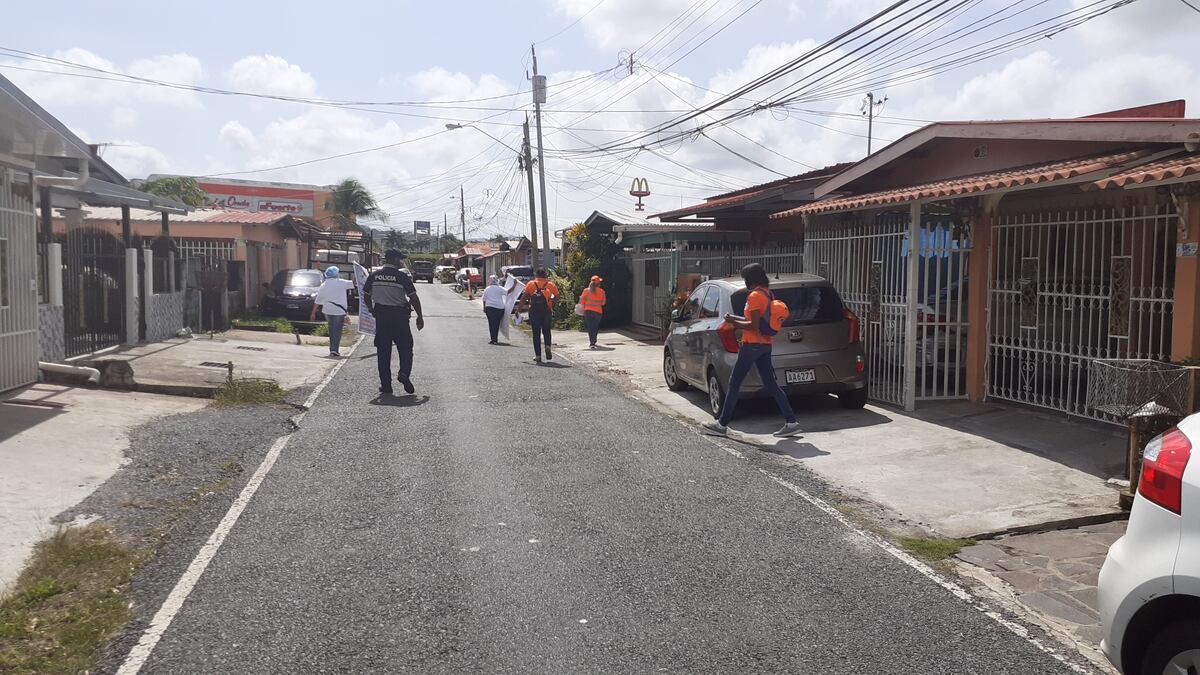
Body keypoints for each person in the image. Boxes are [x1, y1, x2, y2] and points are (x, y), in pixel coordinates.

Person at [702, 263, 802, 438]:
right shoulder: (767, 294)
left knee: (734, 384)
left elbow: (753, 325)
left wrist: (734, 323)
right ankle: (791, 421)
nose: (745, 282)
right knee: (771, 384)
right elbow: (757, 321)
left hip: (752, 345)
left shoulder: (754, 296)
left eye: (746, 279)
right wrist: (736, 318)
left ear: (751, 279)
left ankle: (722, 424)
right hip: (765, 344)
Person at [363, 249, 424, 395]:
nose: (401, 262)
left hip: (382, 318)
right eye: (400, 259)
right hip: (399, 318)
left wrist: (371, 309)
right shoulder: (401, 276)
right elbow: (413, 298)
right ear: (395, 260)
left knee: (383, 352)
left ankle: (386, 386)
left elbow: (366, 295)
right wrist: (420, 316)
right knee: (406, 348)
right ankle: (404, 374)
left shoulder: (374, 276)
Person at [309, 266, 354, 357]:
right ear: (336, 274)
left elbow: (318, 300)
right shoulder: (341, 282)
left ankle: (332, 349)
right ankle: (334, 350)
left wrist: (313, 313)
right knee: (337, 330)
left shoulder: (324, 285)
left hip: (327, 310)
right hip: (339, 311)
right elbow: (354, 283)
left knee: (331, 330)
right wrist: (357, 274)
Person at [522, 268, 559, 363]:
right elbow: (556, 298)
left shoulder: (531, 284)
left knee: (536, 333)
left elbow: (524, 297)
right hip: (547, 311)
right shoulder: (551, 285)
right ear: (545, 275)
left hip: (534, 312)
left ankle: (538, 356)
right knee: (547, 330)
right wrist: (550, 301)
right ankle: (547, 346)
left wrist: (518, 309)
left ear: (536, 275)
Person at [579, 275, 607, 348]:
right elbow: (603, 303)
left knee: (590, 327)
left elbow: (582, 301)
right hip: (598, 312)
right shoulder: (602, 291)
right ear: (598, 283)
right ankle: (593, 341)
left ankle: (592, 342)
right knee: (595, 327)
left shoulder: (586, 291)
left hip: (588, 311)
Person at [482, 275, 507, 345]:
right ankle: (495, 339)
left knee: (491, 323)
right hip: (499, 308)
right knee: (497, 324)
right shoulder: (500, 288)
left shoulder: (487, 289)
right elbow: (508, 292)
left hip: (490, 308)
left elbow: (484, 299)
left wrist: (484, 307)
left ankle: (493, 339)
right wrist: (515, 285)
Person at [499, 269, 521, 343]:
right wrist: (514, 284)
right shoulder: (503, 281)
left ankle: (494, 336)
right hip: (502, 301)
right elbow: (508, 291)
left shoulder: (506, 280)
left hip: (503, 302)